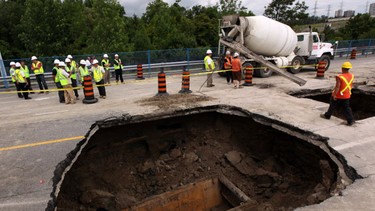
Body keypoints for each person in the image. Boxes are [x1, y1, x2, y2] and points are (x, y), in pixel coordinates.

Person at [320, 61, 355, 126]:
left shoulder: (340, 77)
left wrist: (334, 94)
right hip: (347, 95)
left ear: (342, 68)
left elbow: (337, 87)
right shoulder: (352, 76)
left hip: (339, 95)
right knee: (346, 108)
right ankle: (350, 120)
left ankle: (327, 115)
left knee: (332, 105)